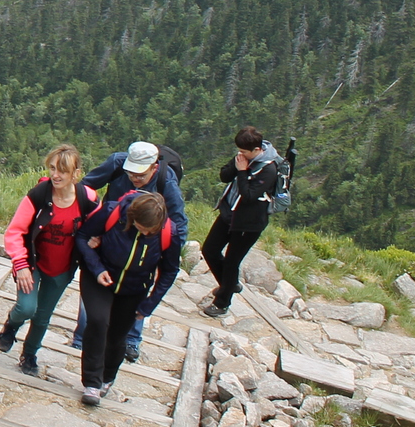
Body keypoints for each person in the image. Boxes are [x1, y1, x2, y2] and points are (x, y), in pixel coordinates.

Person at [71, 140, 186, 361]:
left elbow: (178, 223)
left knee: (136, 289)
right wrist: (91, 223)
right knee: (96, 288)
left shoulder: (166, 181)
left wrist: (164, 252)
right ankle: (82, 337)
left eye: (140, 175)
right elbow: (86, 188)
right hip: (111, 234)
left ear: (154, 167)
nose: (135, 178)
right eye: (131, 173)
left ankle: (131, 341)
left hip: (146, 244)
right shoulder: (116, 163)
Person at [0, 144, 98, 377]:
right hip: (32, 263)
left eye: (62, 170)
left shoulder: (88, 199)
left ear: (76, 173)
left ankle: (29, 355)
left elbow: (99, 227)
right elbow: (14, 232)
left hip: (62, 268)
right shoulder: (39, 195)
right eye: (52, 168)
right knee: (26, 307)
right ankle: (11, 326)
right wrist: (20, 265)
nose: (56, 175)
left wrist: (96, 241)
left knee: (43, 316)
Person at [75, 191, 180, 407]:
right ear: (133, 218)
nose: (146, 232)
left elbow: (169, 271)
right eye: (142, 228)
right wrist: (96, 268)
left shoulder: (168, 232)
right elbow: (82, 236)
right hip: (100, 277)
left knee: (117, 336)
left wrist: (150, 304)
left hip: (135, 288)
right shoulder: (112, 212)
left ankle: (107, 377)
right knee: (97, 321)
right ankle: (92, 384)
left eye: (151, 231)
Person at [200, 127, 283, 318]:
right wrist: (236, 167)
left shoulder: (269, 168)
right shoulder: (243, 156)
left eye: (244, 152)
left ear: (256, 149)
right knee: (209, 250)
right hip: (229, 214)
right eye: (239, 151)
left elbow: (249, 196)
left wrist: (243, 171)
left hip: (249, 223)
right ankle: (229, 284)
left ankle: (222, 303)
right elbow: (224, 176)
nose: (240, 154)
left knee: (231, 262)